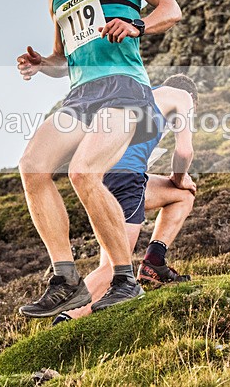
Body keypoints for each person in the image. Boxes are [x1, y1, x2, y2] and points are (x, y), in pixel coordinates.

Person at [16, 0, 182, 318]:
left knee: (83, 172)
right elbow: (61, 58)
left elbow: (170, 8)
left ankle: (124, 280)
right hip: (81, 95)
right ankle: (66, 279)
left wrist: (136, 24)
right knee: (32, 167)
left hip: (125, 89)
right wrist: (42, 65)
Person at [53, 74, 198, 324]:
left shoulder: (140, 95)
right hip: (125, 181)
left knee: (181, 197)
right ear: (192, 98)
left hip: (102, 179)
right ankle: (66, 318)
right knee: (114, 268)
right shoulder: (182, 97)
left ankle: (154, 263)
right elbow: (184, 151)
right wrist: (179, 177)